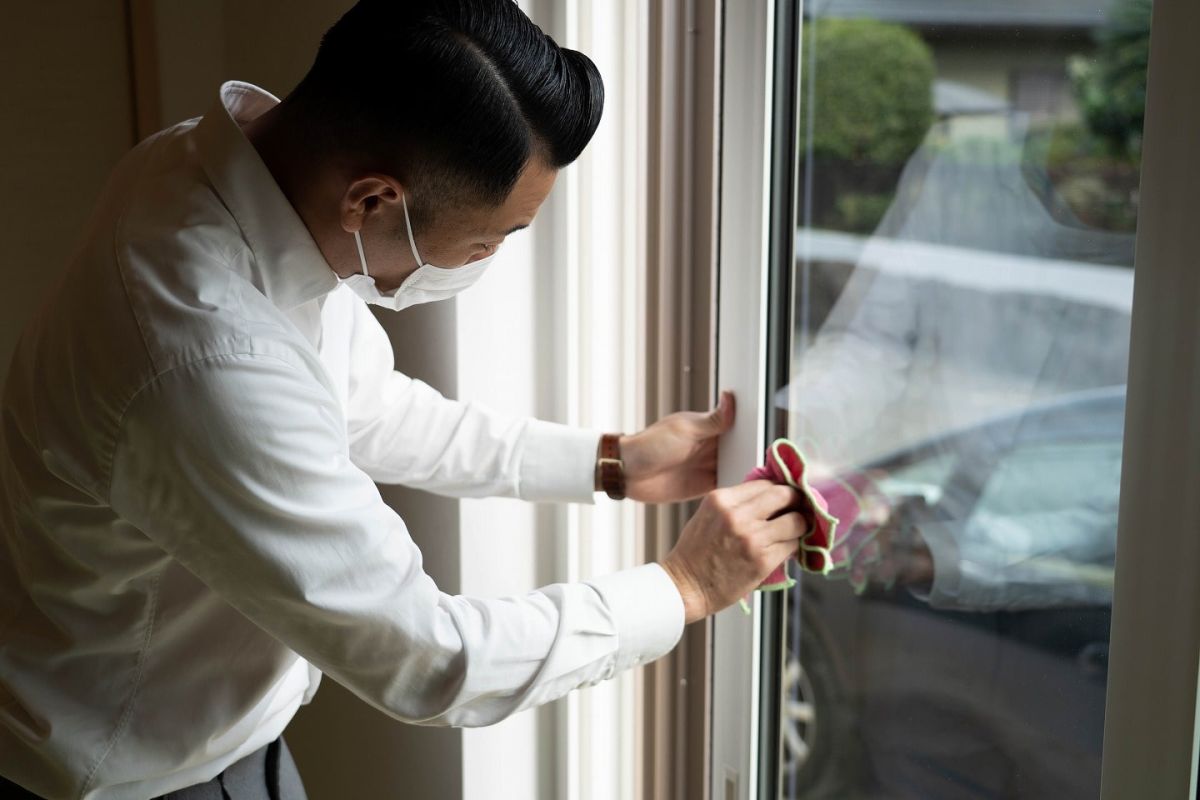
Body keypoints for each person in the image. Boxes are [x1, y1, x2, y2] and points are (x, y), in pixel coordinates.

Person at [0, 2, 809, 798]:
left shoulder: (204, 173)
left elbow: (366, 408)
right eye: (493, 238)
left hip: (187, 726)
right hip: (133, 768)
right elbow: (433, 661)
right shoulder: (207, 362)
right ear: (372, 201)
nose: (486, 256)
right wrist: (688, 586)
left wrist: (610, 463)